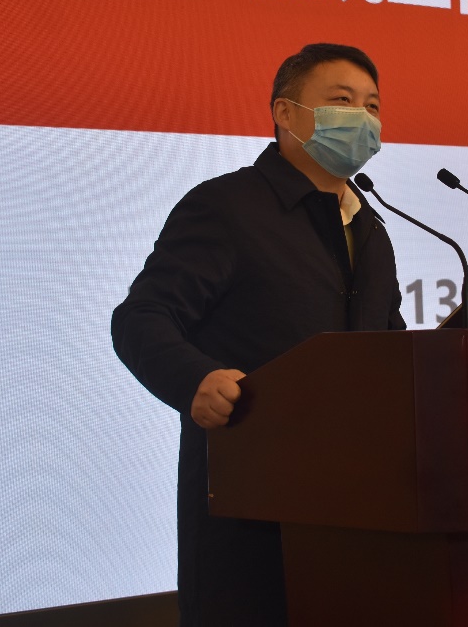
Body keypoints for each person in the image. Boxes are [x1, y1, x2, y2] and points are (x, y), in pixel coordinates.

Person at [111, 43, 406, 626]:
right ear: (286, 113)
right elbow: (142, 316)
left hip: (357, 505)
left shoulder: (369, 227)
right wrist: (195, 379)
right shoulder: (227, 207)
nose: (363, 118)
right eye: (343, 100)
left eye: (372, 106)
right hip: (249, 506)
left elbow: (388, 348)